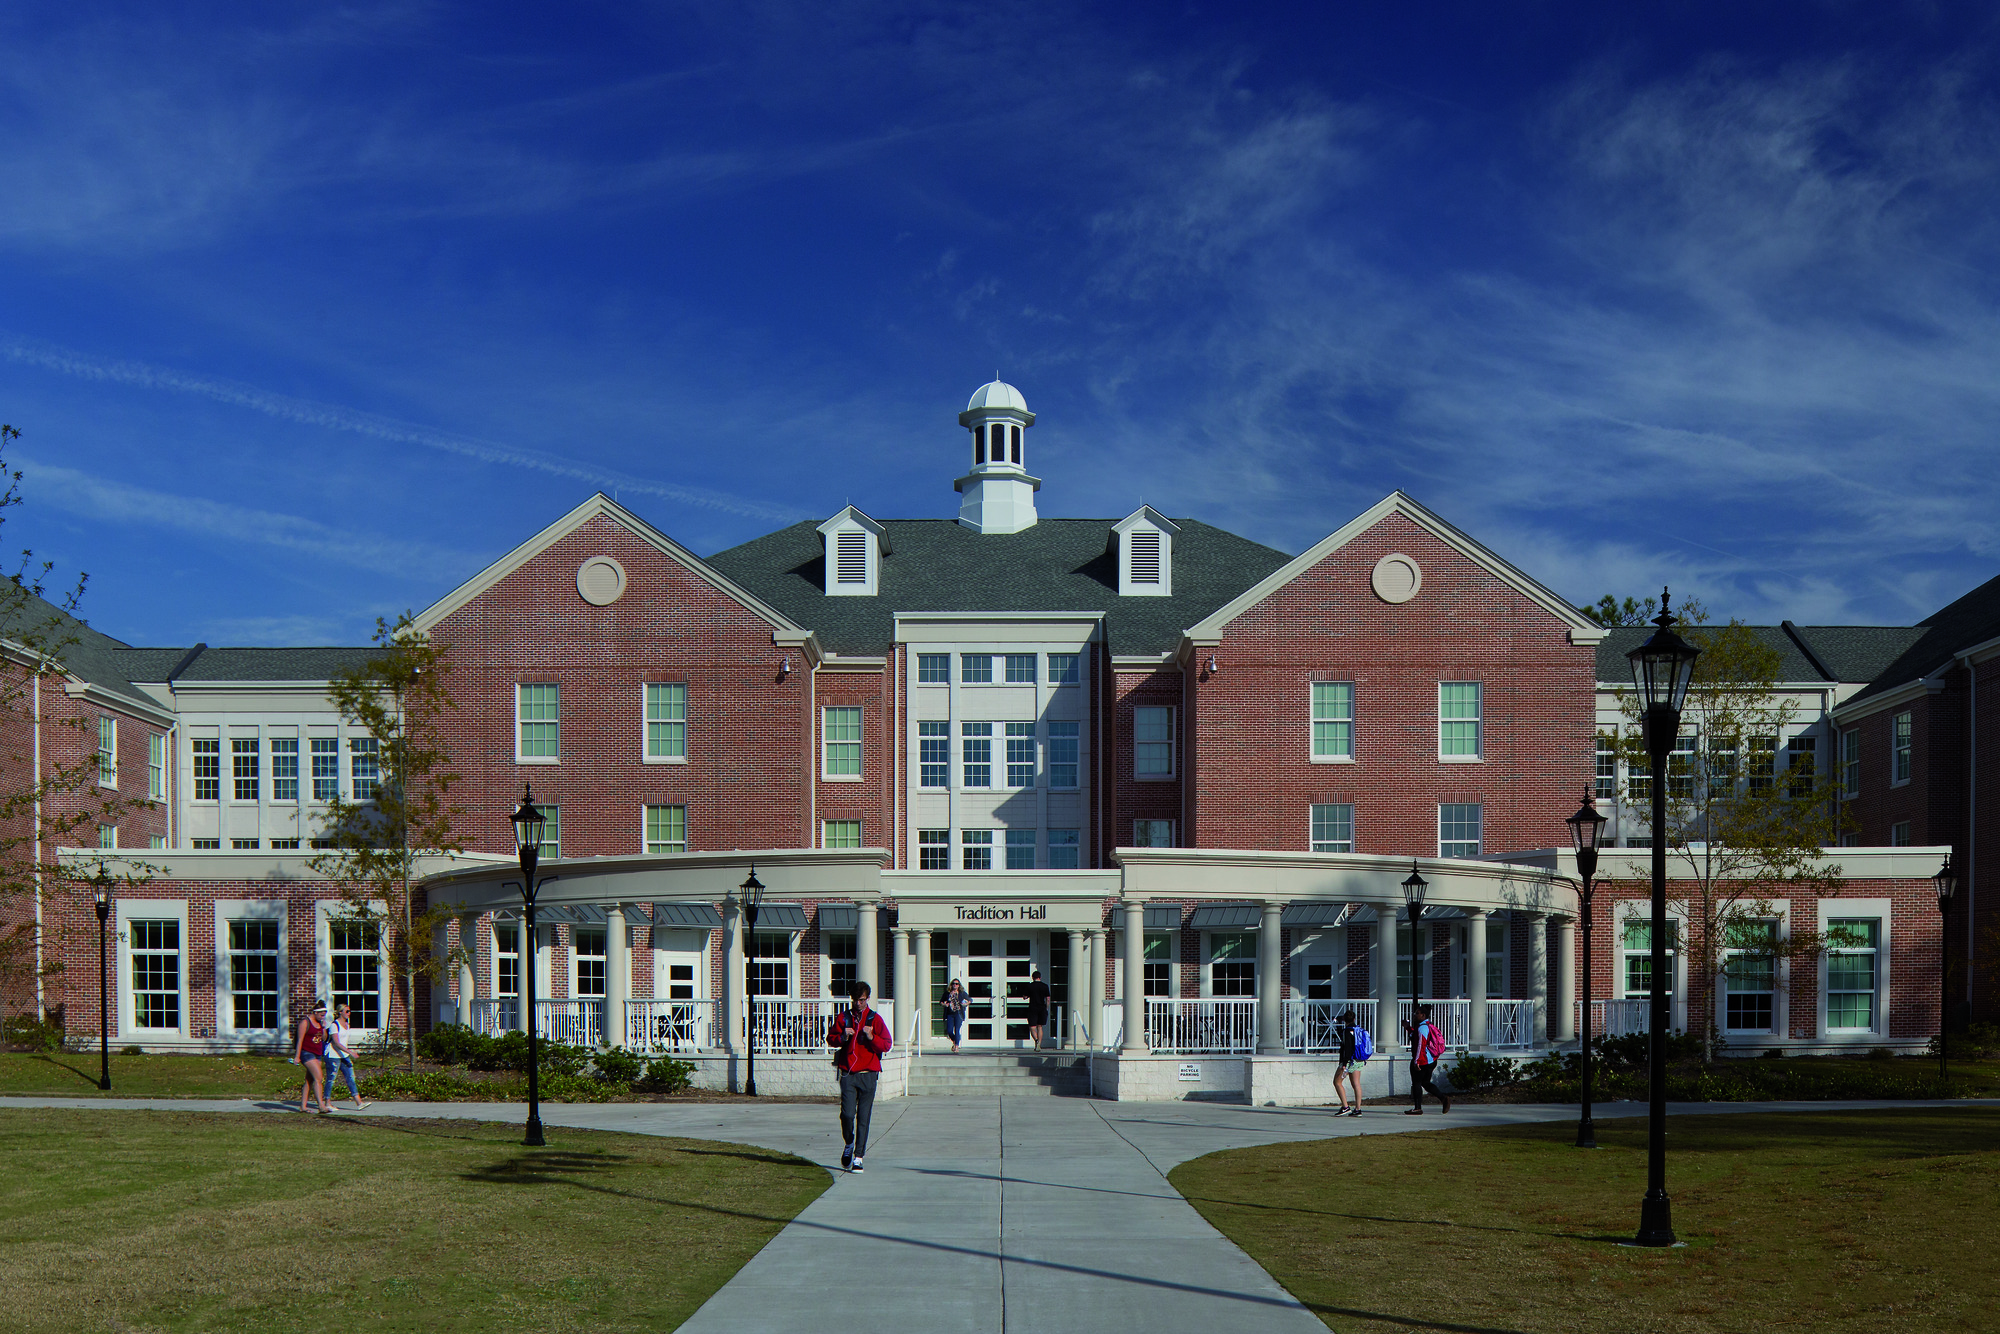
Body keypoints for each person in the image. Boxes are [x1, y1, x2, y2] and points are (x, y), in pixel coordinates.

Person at [827, 978, 892, 1172]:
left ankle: (859, 1156)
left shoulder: (874, 1019)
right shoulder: (844, 1018)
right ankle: (849, 1143)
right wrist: (842, 1037)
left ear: (868, 998)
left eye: (862, 1000)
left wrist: (872, 1037)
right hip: (848, 1073)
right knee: (847, 1114)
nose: (858, 1003)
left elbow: (886, 1044)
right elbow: (831, 1039)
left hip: (868, 1074)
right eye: (856, 999)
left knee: (863, 1117)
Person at [1404, 1003, 1450, 1115]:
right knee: (1425, 1082)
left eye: (1417, 1013)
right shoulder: (1426, 1026)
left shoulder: (1422, 1028)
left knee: (1416, 1083)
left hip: (1422, 1061)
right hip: (1431, 1060)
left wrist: (1417, 1061)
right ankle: (1443, 1098)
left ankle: (1418, 1108)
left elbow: (1421, 1045)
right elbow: (1415, 1037)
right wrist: (1407, 1028)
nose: (1415, 1015)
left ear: (1423, 1015)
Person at [324, 1003, 371, 1111]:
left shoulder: (347, 1024)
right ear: (340, 1012)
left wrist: (348, 1052)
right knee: (331, 1079)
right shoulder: (334, 1025)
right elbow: (336, 1042)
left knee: (350, 1077)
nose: (349, 1013)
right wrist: (350, 1052)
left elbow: (344, 1042)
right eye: (347, 1011)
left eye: (349, 1011)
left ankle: (359, 1102)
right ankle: (327, 1103)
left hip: (343, 1055)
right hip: (333, 1055)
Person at [293, 1001, 334, 1115]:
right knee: (319, 1078)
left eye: (325, 1013)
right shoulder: (305, 1022)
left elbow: (324, 1038)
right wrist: (297, 1056)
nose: (323, 1015)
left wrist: (324, 1028)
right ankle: (321, 1105)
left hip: (317, 1053)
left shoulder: (320, 1023)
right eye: (321, 1013)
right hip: (306, 1053)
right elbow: (299, 1040)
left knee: (309, 1080)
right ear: (315, 1012)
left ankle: (303, 1106)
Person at [1333, 1009, 1365, 1117]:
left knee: (1337, 1082)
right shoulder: (1358, 1029)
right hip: (1358, 1060)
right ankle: (1358, 1109)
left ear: (1344, 1019)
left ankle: (1345, 1106)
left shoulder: (1346, 1031)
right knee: (1356, 1084)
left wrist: (1344, 1064)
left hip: (1348, 1062)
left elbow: (1347, 1048)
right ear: (1354, 1019)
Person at [1022, 969, 1052, 1048]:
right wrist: (1047, 1008)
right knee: (1040, 1026)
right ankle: (1039, 1044)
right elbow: (1048, 999)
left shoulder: (1030, 986)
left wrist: (1026, 996)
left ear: (1033, 978)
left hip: (1033, 1007)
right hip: (1042, 1007)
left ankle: (1036, 1040)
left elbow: (1025, 996)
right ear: (1040, 977)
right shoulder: (1045, 986)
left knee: (1032, 1027)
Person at [942, 978, 968, 1052]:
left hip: (958, 1013)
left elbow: (969, 1000)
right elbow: (941, 1001)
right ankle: (955, 1040)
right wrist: (944, 1004)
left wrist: (966, 1003)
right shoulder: (947, 993)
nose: (955, 985)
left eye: (956, 984)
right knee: (949, 1030)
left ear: (959, 985)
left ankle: (956, 1046)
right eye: (953, 983)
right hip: (950, 1014)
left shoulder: (962, 993)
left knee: (957, 1029)